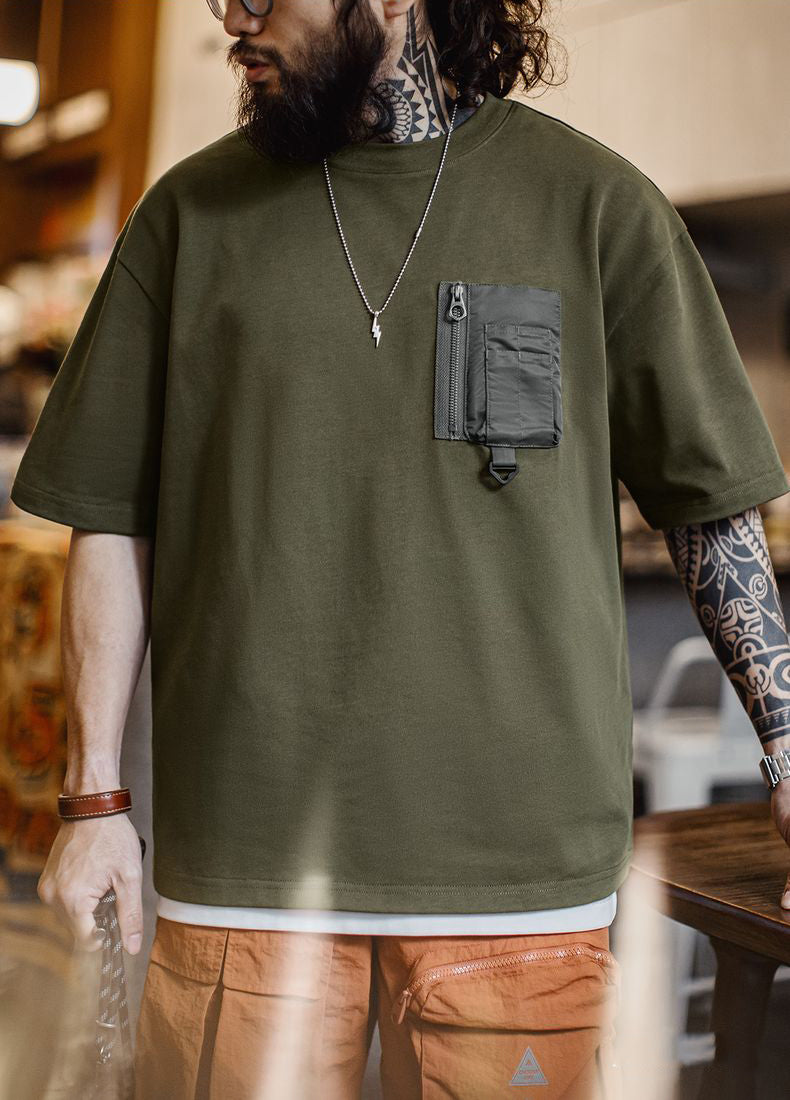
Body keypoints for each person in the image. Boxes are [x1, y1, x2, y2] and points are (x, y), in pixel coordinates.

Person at [12, 0, 790, 1096]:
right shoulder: (186, 218)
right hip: (244, 869)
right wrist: (94, 804)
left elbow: (709, 507)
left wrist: (787, 744)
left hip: (518, 874)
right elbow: (108, 513)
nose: (229, 13)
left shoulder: (596, 205)